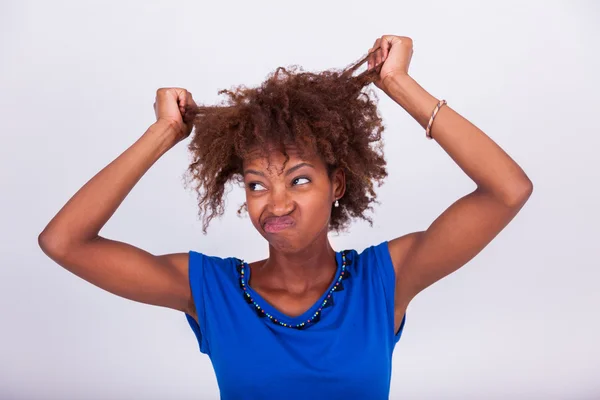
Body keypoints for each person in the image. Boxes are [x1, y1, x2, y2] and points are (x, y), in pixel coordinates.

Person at [38, 35, 533, 399]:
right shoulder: (210, 290)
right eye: (257, 184)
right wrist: (164, 133)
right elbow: (64, 242)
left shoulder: (384, 280)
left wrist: (400, 85)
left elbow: (507, 190)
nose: (275, 203)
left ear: (336, 185)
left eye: (299, 180)